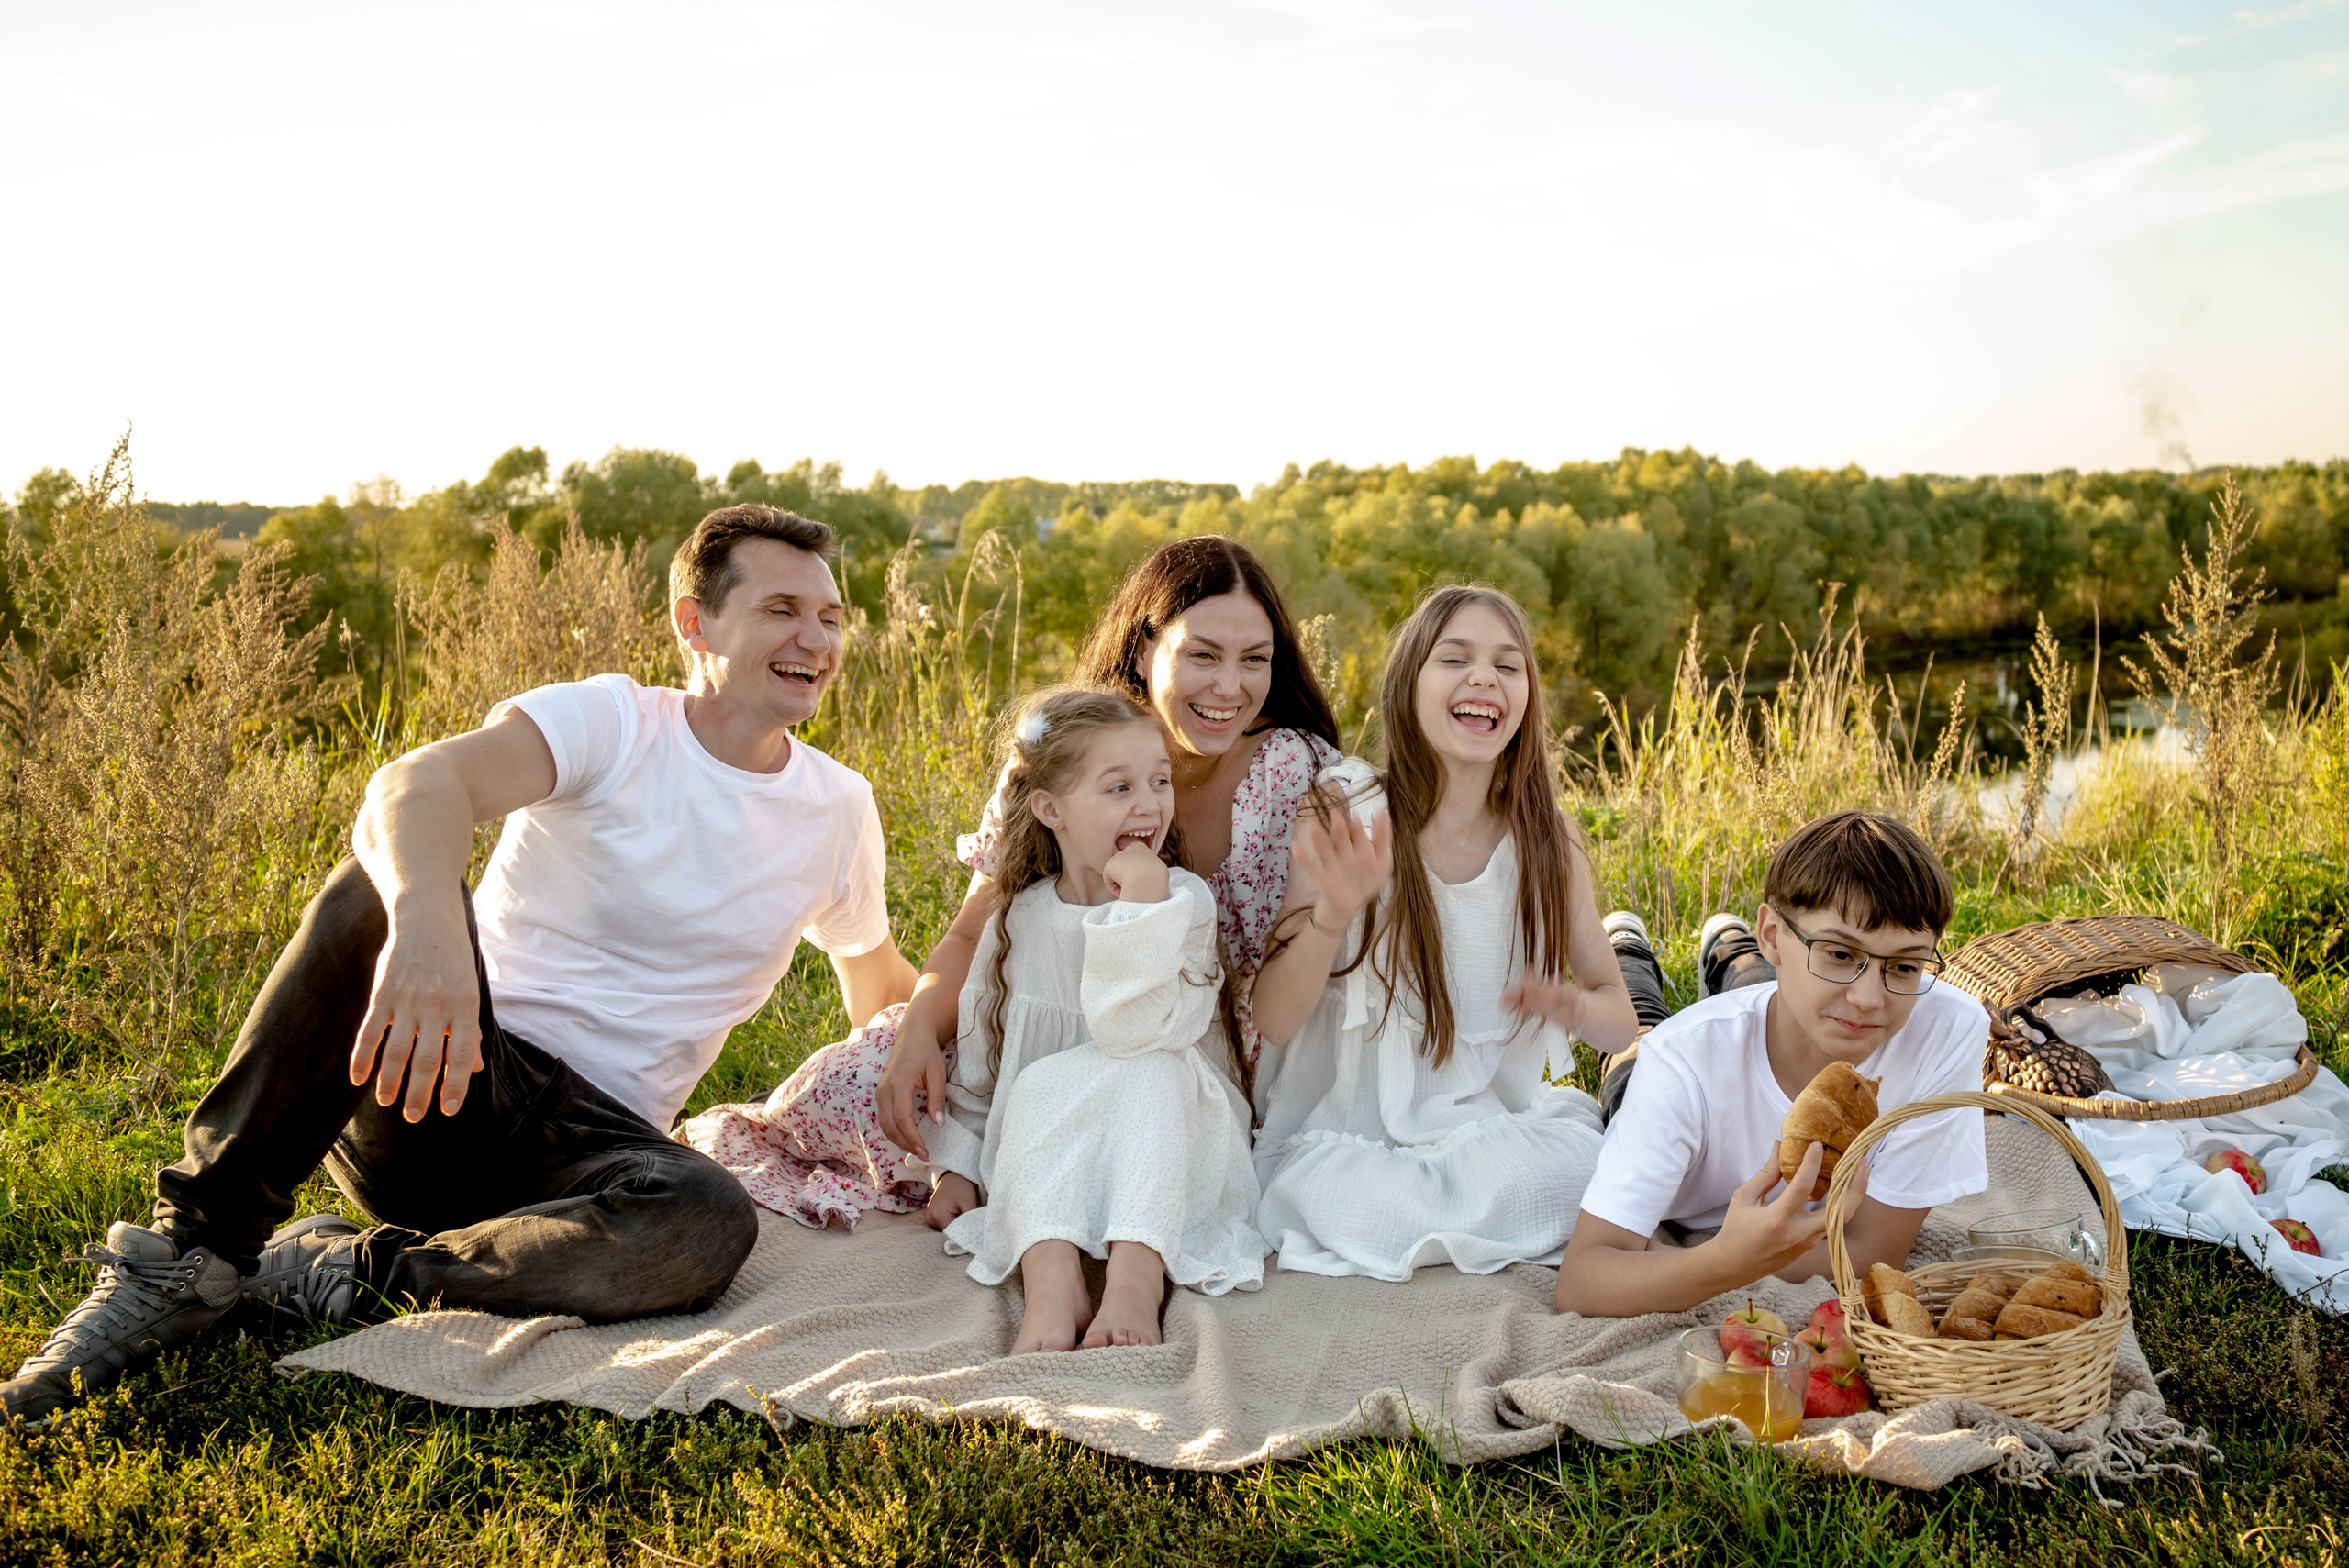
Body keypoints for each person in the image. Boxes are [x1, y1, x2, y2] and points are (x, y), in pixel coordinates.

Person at [1, 505, 918, 1424]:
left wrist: (996, 1006)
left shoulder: (837, 808)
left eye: (831, 617)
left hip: (593, 1158)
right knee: (372, 887)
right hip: (441, 1073)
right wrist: (429, 924)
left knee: (708, 1217)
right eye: (782, 610)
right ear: (696, 622)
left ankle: (347, 1266)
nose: (815, 638)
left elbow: (877, 985)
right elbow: (417, 781)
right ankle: (194, 1252)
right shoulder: (611, 721)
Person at [695, 535, 1341, 1227]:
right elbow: (976, 928)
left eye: (1255, 660)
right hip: (1039, 1020)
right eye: (1203, 654)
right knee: (866, 1083)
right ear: (1148, 648)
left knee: (1124, 1130)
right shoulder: (1064, 749)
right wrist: (916, 1028)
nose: (1229, 686)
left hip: (1173, 1049)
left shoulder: (1293, 772)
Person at [1244, 584, 1638, 1280]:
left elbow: (1618, 1022)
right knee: (1353, 1205)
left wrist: (1572, 1005)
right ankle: (1452, 1220)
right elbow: (1273, 1020)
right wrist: (1331, 917)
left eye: (1507, 665)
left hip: (1483, 1136)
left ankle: (1634, 944)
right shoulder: (1345, 807)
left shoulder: (1549, 841)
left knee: (1588, 1167)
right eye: (1455, 658)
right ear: (1409, 685)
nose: (1483, 677)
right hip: (1349, 1139)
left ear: (1526, 699)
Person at [917, 686, 1263, 1351]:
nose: (1150, 803)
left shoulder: (1181, 901)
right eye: (1119, 787)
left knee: (1145, 1069)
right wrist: (955, 1162)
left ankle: (1136, 1275)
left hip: (1171, 1135)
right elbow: (985, 1053)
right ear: (1051, 808)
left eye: (1160, 781)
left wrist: (1141, 907)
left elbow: (1133, 1030)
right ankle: (1053, 1283)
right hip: (1056, 1147)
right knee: (1040, 1083)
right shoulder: (1020, 918)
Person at [1553, 812, 1988, 1317]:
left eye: (1904, 965)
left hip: (1784, 1009)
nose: (1870, 998)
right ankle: (1628, 947)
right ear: (1774, 932)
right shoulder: (1680, 1063)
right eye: (1841, 954)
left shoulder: (1948, 1028)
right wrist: (1727, 1259)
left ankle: (1730, 949)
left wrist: (1703, 1258)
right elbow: (1582, 1282)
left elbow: (1873, 1253)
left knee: (1784, 998)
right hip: (1662, 1064)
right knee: (1633, 1039)